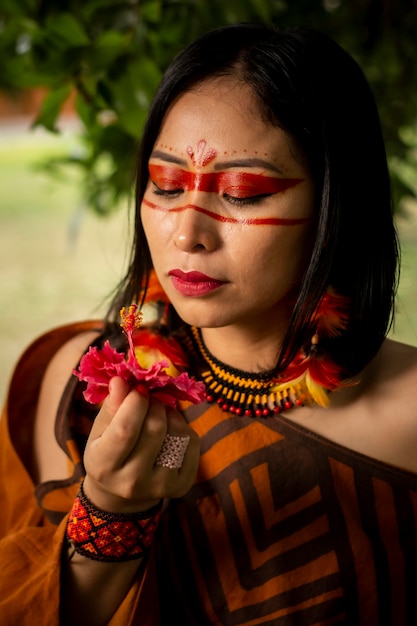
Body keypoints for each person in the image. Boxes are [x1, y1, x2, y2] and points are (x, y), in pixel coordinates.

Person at [1, 21, 417, 626]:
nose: (186, 234)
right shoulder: (74, 385)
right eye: (166, 185)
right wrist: (112, 512)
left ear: (334, 205)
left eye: (243, 194)